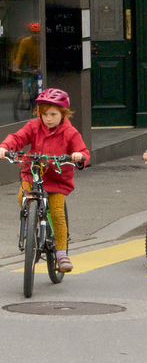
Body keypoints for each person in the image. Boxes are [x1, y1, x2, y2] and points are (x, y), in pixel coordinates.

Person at [0, 88, 88, 273]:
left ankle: (61, 254)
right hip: (33, 172)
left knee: (57, 212)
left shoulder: (70, 132)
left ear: (63, 114)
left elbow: (82, 151)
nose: (48, 118)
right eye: (44, 114)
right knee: (23, 198)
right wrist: (5, 147)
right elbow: (18, 138)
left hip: (57, 178)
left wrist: (78, 156)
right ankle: (29, 224)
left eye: (53, 114)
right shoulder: (33, 126)